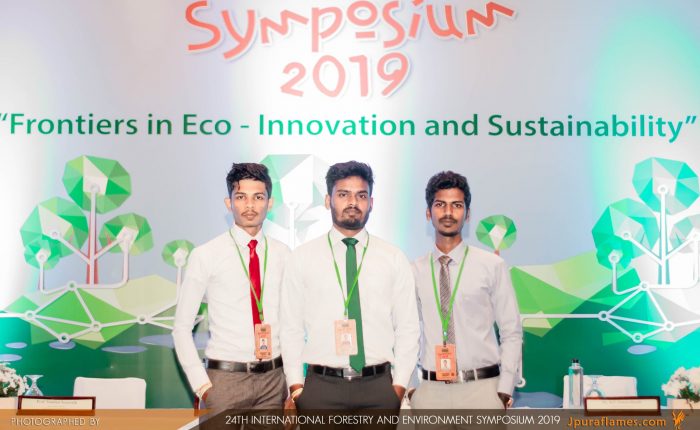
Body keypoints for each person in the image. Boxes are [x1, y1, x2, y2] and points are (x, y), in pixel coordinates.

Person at [280, 161, 420, 421]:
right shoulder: (302, 257)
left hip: (378, 389)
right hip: (320, 389)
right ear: (328, 200)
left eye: (361, 195)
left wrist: (398, 388)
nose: (353, 202)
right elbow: (290, 329)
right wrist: (297, 388)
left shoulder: (393, 258)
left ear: (371, 203)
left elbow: (408, 328)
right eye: (343, 194)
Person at [172, 163, 290, 427]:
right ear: (229, 203)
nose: (250, 205)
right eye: (241, 197)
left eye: (258, 197)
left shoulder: (284, 255)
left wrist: (292, 382)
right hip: (224, 380)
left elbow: (292, 324)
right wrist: (203, 386)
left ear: (269, 203)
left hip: (273, 382)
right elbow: (181, 328)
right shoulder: (206, 255)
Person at [410, 171, 522, 411]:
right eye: (440, 205)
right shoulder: (414, 270)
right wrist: (411, 387)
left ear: (467, 214)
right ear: (428, 213)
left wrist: (505, 388)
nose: (448, 212)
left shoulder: (492, 265)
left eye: (457, 205)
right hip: (431, 393)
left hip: (482, 390)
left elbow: (511, 330)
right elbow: (407, 332)